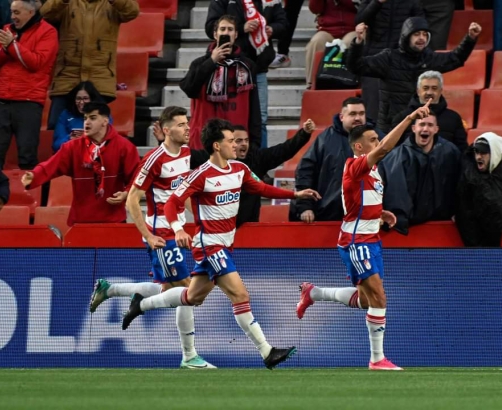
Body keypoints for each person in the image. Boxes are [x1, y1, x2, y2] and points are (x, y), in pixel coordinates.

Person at [121, 118, 321, 370]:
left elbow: (260, 188)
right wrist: (178, 228)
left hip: (225, 245)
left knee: (192, 297)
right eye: (230, 141)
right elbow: (172, 203)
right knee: (240, 294)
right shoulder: (201, 174)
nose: (235, 145)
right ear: (216, 146)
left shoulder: (240, 169)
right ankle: (267, 351)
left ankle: (141, 303)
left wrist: (295, 194)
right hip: (209, 246)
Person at [296, 101, 432, 370]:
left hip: (370, 238)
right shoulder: (355, 165)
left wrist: (381, 214)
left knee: (368, 300)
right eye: (372, 140)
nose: (378, 142)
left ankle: (314, 293)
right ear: (359, 147)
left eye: (377, 138)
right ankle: (377, 359)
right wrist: (409, 118)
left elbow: (358, 201)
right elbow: (385, 149)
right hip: (357, 242)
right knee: (379, 297)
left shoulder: (370, 171)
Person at [89, 107, 215, 370]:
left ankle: (111, 290)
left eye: (187, 123)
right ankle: (190, 355)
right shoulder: (154, 159)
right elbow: (133, 200)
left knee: (171, 292)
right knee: (189, 290)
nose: (187, 128)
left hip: (178, 231)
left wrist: (201, 222)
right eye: (181, 125)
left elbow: (180, 195)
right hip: (160, 234)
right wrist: (147, 235)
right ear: (167, 130)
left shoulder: (185, 154)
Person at [347, 17, 480, 133]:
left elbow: (455, 58)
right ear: (406, 36)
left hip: (421, 127)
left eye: (424, 34)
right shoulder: (389, 58)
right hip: (391, 127)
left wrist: (470, 39)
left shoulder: (430, 58)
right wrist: (358, 42)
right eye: (417, 34)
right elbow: (356, 66)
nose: (422, 38)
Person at [21, 102, 140, 226]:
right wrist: (35, 175)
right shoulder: (72, 147)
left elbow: (137, 177)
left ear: (105, 121)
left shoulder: (125, 147)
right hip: (81, 220)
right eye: (85, 118)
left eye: (92, 118)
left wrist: (127, 193)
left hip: (114, 219)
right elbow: (51, 165)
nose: (87, 122)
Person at [189, 120, 317, 227]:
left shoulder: (251, 163)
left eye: (246, 140)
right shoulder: (207, 163)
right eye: (237, 141)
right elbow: (186, 158)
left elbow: (283, 151)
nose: (243, 144)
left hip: (249, 227)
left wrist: (303, 134)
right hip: (215, 232)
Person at [40, 0, 140, 130]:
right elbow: (46, 13)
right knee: (55, 125)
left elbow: (132, 11)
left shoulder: (111, 5)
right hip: (67, 77)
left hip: (100, 77)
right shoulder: (68, 4)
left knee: (98, 130)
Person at [205, 2, 289, 148]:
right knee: (226, 118)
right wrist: (240, 28)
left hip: (258, 67)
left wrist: (272, 29)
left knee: (260, 119)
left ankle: (260, 162)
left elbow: (283, 23)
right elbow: (210, 27)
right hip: (228, 67)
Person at [290, 97, 383, 223]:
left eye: (361, 113)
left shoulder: (379, 139)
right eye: (352, 114)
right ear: (341, 117)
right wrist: (305, 206)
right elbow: (305, 172)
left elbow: (389, 175)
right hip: (329, 215)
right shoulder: (324, 140)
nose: (358, 118)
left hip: (368, 217)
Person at [0, 0, 58, 169]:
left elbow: (36, 63)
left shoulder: (48, 32)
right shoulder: (7, 30)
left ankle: (29, 195)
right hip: (1, 99)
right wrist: (7, 48)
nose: (12, 17)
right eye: (12, 12)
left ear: (30, 12)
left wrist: (11, 45)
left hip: (29, 101)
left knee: (27, 155)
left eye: (17, 13)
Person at [180, 15, 261, 151]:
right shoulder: (199, 63)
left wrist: (255, 141)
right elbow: (190, 90)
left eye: (230, 29)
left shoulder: (247, 65)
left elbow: (254, 105)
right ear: (215, 34)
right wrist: (211, 62)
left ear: (236, 34)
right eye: (222, 29)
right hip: (204, 140)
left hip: (235, 138)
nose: (226, 33)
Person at [378, 112, 461, 235]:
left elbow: (460, 185)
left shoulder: (450, 152)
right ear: (414, 128)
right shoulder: (396, 157)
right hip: (406, 227)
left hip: (443, 225)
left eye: (430, 125)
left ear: (436, 129)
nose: (425, 128)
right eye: (421, 124)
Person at [354, 0, 423, 121]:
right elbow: (360, 20)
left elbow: (420, 24)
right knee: (372, 108)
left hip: (401, 60)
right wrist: (377, 2)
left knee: (400, 110)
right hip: (373, 58)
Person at [391, 70, 467, 152]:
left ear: (440, 91)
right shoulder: (402, 118)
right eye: (425, 88)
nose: (430, 92)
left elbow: (462, 151)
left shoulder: (454, 118)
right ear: (418, 91)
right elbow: (392, 150)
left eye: (434, 88)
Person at [302, 0, 358, 89]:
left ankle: (349, 82)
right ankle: (312, 84)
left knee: (350, 43)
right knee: (316, 42)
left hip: (353, 28)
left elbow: (360, 7)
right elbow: (315, 9)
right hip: (328, 29)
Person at [52, 81, 113, 152]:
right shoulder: (66, 114)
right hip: (71, 154)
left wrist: (87, 137)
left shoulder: (102, 114)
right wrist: (69, 138)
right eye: (78, 98)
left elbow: (108, 143)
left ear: (92, 100)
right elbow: (56, 146)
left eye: (85, 98)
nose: (81, 102)